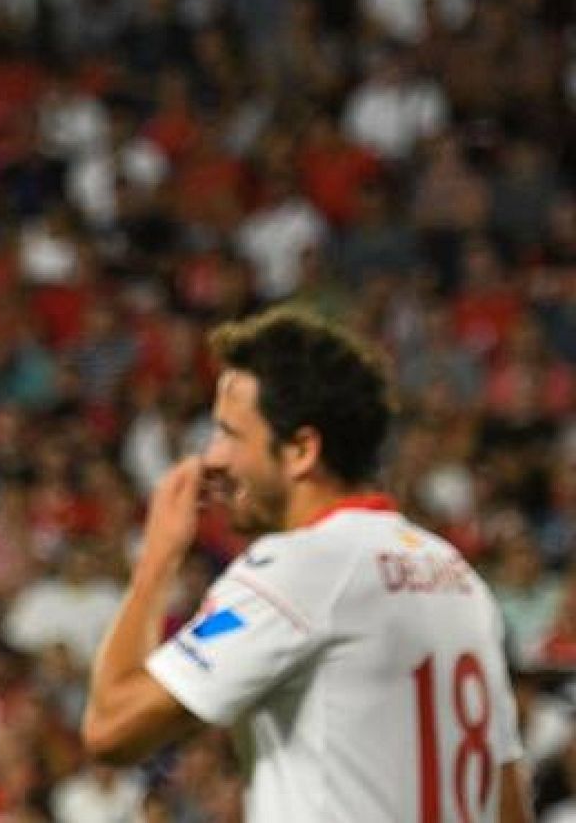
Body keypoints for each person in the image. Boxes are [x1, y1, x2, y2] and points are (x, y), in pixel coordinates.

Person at [82, 307, 532, 823]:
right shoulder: (454, 575)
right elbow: (507, 801)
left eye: (231, 434)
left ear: (301, 450)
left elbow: (110, 729)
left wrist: (155, 560)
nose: (212, 458)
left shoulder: (301, 568)